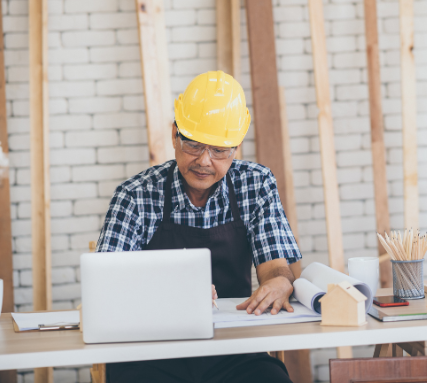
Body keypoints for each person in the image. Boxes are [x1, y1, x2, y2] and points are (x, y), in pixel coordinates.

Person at [95, 71, 300, 383]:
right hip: (150, 354)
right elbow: (106, 289)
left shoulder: (255, 184)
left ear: (236, 147)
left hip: (234, 351)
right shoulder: (136, 196)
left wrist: (280, 282)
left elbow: (276, 267)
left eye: (219, 150)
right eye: (193, 144)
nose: (205, 161)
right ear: (175, 134)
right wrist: (173, 294)